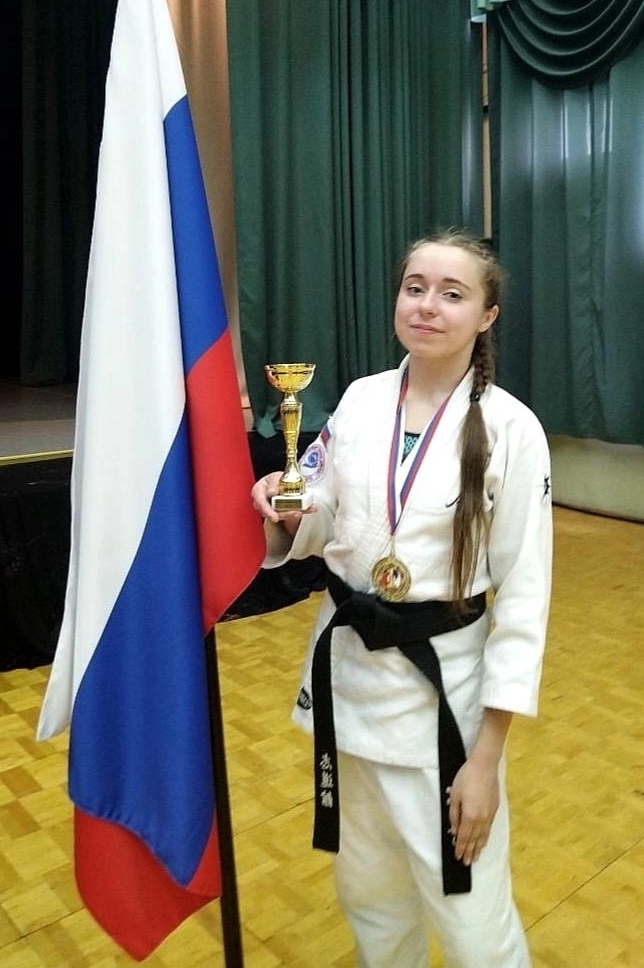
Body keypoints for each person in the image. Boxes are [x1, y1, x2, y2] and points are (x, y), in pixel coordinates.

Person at [251, 231, 552, 968]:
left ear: (487, 316)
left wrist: (486, 760)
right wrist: (290, 508)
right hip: (351, 688)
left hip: (443, 708)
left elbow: (523, 600)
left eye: (453, 294)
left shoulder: (512, 429)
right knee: (371, 898)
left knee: (472, 922)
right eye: (415, 287)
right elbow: (327, 520)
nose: (427, 306)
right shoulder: (359, 400)